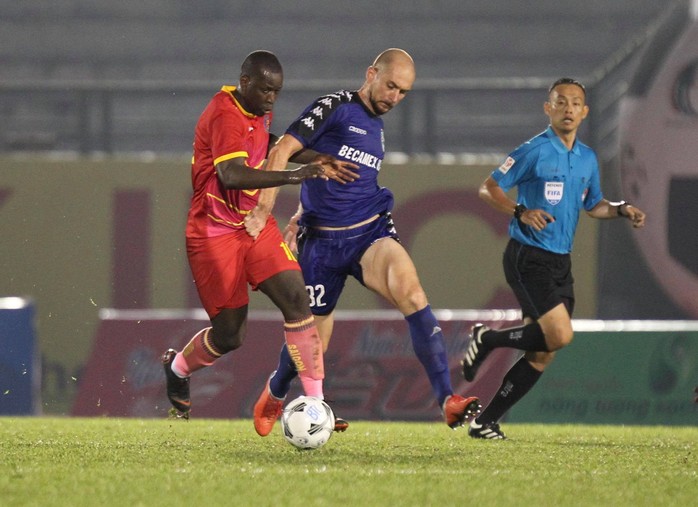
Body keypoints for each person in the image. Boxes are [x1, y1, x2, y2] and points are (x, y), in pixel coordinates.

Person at [246, 48, 481, 435]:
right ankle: (275, 390)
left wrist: (309, 196)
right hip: (322, 244)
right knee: (310, 343)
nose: (394, 97)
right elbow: (281, 149)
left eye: (403, 92)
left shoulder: (375, 124)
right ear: (371, 73)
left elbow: (341, 172)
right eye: (390, 85)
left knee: (412, 293)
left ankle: (447, 399)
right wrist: (264, 211)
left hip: (370, 231)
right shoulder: (335, 106)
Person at [161, 50, 359, 426]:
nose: (271, 98)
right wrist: (294, 176)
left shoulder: (255, 109)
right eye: (265, 89)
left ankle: (317, 405)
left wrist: (315, 158)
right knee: (230, 336)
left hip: (253, 225)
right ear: (245, 81)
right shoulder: (223, 113)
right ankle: (178, 368)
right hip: (213, 234)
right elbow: (232, 176)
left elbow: (264, 143)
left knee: (299, 300)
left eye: (277, 92)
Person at [462, 77, 646, 439]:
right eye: (560, 102)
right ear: (548, 109)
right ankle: (487, 340)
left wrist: (622, 209)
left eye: (576, 103)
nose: (568, 109)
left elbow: (594, 206)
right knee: (559, 334)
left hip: (561, 261)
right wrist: (520, 210)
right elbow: (488, 187)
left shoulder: (587, 158)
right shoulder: (534, 150)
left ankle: (485, 422)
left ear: (585, 111)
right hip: (528, 255)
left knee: (543, 352)